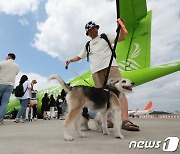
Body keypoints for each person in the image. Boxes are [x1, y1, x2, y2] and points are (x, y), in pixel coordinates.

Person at [66, 21, 139, 131]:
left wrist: (122, 28)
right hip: (96, 72)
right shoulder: (88, 45)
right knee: (102, 97)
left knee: (120, 93)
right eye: (89, 30)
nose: (92, 31)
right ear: (87, 33)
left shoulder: (105, 36)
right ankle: (108, 121)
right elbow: (79, 57)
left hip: (111, 67)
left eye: (94, 28)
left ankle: (125, 120)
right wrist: (70, 60)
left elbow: (121, 38)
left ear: (97, 28)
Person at [0, 53, 19, 125]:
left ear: (9, 57)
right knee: (4, 103)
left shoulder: (2, 63)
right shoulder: (17, 66)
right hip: (10, 85)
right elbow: (15, 74)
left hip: (1, 83)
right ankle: (0, 119)